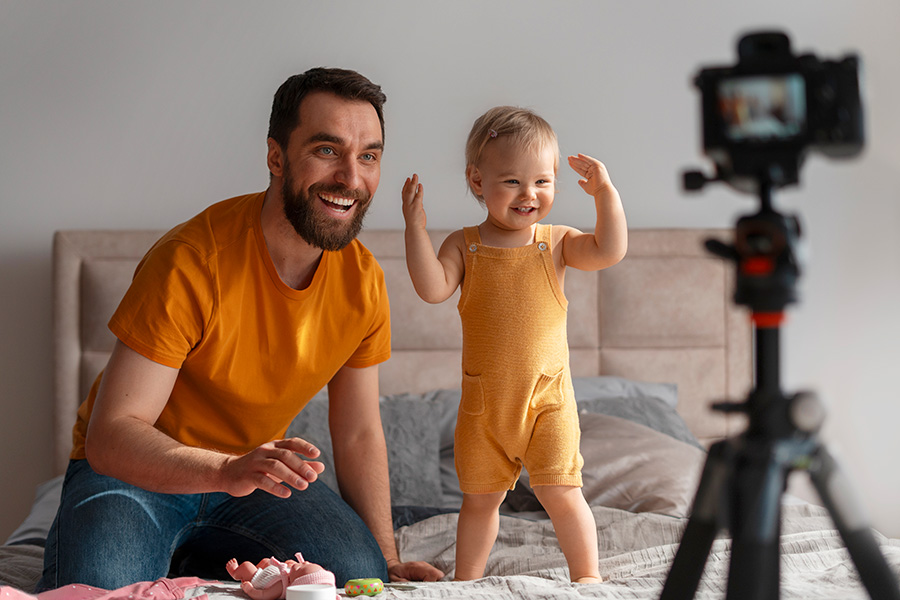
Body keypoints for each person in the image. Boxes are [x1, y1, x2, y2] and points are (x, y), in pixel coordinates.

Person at [37, 67, 443, 591]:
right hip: (137, 471)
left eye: (368, 156)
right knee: (101, 589)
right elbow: (112, 437)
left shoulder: (362, 281)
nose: (350, 177)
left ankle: (198, 558)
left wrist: (387, 554)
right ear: (276, 157)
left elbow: (359, 430)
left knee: (359, 576)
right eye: (327, 150)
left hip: (254, 473)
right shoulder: (192, 262)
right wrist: (225, 470)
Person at [400, 106, 627, 582]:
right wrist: (415, 231)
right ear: (477, 181)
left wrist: (605, 194)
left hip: (548, 398)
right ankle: (467, 581)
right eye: (512, 182)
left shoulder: (558, 242)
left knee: (562, 491)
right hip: (485, 406)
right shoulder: (463, 247)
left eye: (542, 182)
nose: (530, 195)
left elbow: (609, 250)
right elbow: (432, 288)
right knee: (479, 501)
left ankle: (587, 578)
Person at [226, 553, 334, 600]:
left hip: (259, 578)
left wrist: (250, 590)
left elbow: (263, 595)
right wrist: (291, 565)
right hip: (271, 572)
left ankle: (235, 572)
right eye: (309, 563)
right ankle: (256, 567)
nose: (304, 562)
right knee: (265, 561)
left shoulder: (281, 587)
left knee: (247, 566)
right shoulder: (292, 576)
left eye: (301, 568)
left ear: (294, 584)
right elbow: (288, 571)